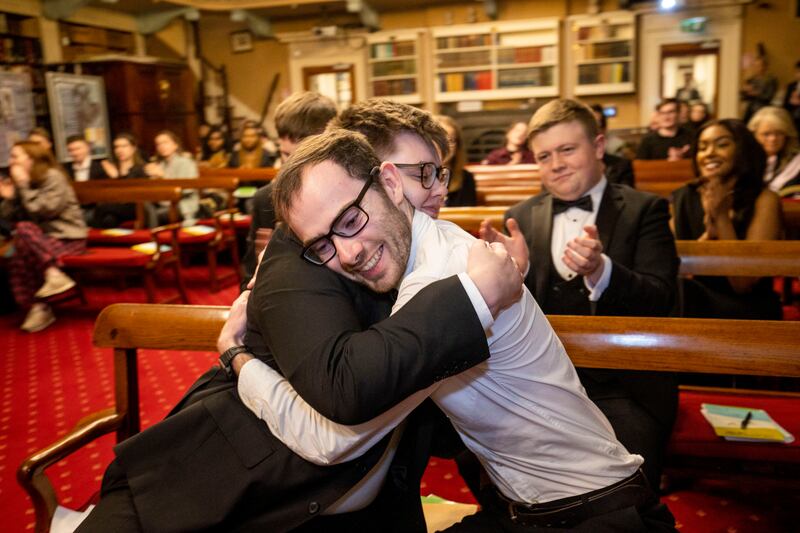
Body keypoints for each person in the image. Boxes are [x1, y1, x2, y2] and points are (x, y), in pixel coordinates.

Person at [77, 105, 522, 532]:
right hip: (228, 487)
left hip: (357, 502)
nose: (439, 188)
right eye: (420, 173)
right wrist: (477, 295)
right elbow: (343, 396)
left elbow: (441, 402)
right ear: (376, 176)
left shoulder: (424, 253)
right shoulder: (300, 260)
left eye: (439, 172)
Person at [238, 127, 675, 532]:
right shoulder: (433, 253)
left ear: (390, 185)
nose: (347, 254)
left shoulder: (441, 281)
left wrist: (237, 357)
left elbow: (329, 441)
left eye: (351, 221)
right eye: (322, 246)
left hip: (597, 515)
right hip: (534, 509)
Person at [480, 99, 680, 490]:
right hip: (541, 380)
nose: (556, 164)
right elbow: (507, 319)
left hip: (624, 383)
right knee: (489, 464)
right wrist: (511, 278)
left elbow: (662, 299)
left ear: (599, 147)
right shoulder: (519, 215)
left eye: (567, 150)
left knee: (624, 486)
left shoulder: (646, 209)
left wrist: (602, 271)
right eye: (544, 156)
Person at [672, 119, 783, 319]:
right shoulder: (683, 197)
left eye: (722, 144)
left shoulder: (764, 199)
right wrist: (708, 236)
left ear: (743, 151)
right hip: (694, 300)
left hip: (749, 307)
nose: (709, 153)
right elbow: (672, 269)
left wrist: (722, 219)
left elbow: (742, 284)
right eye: (702, 147)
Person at [241, 91, 338, 286]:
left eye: (303, 158)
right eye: (285, 155)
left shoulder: (346, 195)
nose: (291, 169)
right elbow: (249, 275)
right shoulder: (266, 198)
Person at [0, 141, 87, 332]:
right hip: (40, 242)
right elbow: (8, 217)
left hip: (68, 238)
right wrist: (10, 197)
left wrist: (22, 186)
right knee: (16, 252)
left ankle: (41, 303)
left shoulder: (52, 177)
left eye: (15, 156)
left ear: (31, 158)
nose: (11, 161)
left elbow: (44, 210)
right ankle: (41, 298)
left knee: (23, 231)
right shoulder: (25, 183)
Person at [145, 130, 200, 226]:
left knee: (154, 214)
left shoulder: (186, 162)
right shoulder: (160, 164)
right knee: (145, 206)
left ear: (175, 145)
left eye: (165, 142)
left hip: (183, 205)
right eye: (158, 144)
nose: (162, 146)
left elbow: (187, 190)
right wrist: (151, 178)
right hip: (164, 204)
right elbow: (155, 191)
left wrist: (162, 176)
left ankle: (154, 236)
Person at [93, 133, 148, 228]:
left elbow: (132, 194)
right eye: (117, 147)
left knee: (102, 208)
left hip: (135, 207)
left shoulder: (141, 168)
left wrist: (116, 177)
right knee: (109, 219)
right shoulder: (112, 168)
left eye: (124, 146)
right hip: (114, 206)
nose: (120, 150)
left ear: (133, 148)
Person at [748, 106, 800, 193]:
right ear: (754, 135)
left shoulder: (797, 161)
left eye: (779, 133)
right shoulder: (744, 161)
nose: (773, 139)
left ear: (787, 135)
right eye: (766, 134)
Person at [436, 114, 476, 207]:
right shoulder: (415, 176)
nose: (445, 146)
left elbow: (467, 217)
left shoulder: (466, 178)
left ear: (458, 146)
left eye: (451, 140)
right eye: (439, 139)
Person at [590, 103, 634, 187]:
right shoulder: (570, 165)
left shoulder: (620, 165)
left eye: (597, 125)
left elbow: (625, 196)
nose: (592, 131)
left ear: (603, 130)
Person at [742, 55, 778, 124]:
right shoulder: (752, 79)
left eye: (759, 66)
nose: (757, 68)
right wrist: (745, 91)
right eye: (755, 66)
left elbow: (768, 96)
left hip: (763, 109)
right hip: (750, 109)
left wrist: (755, 93)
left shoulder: (771, 80)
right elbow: (744, 97)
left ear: (765, 67)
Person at [783, 60, 800, 133]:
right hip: (791, 113)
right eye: (798, 72)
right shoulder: (791, 86)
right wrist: (790, 101)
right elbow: (785, 103)